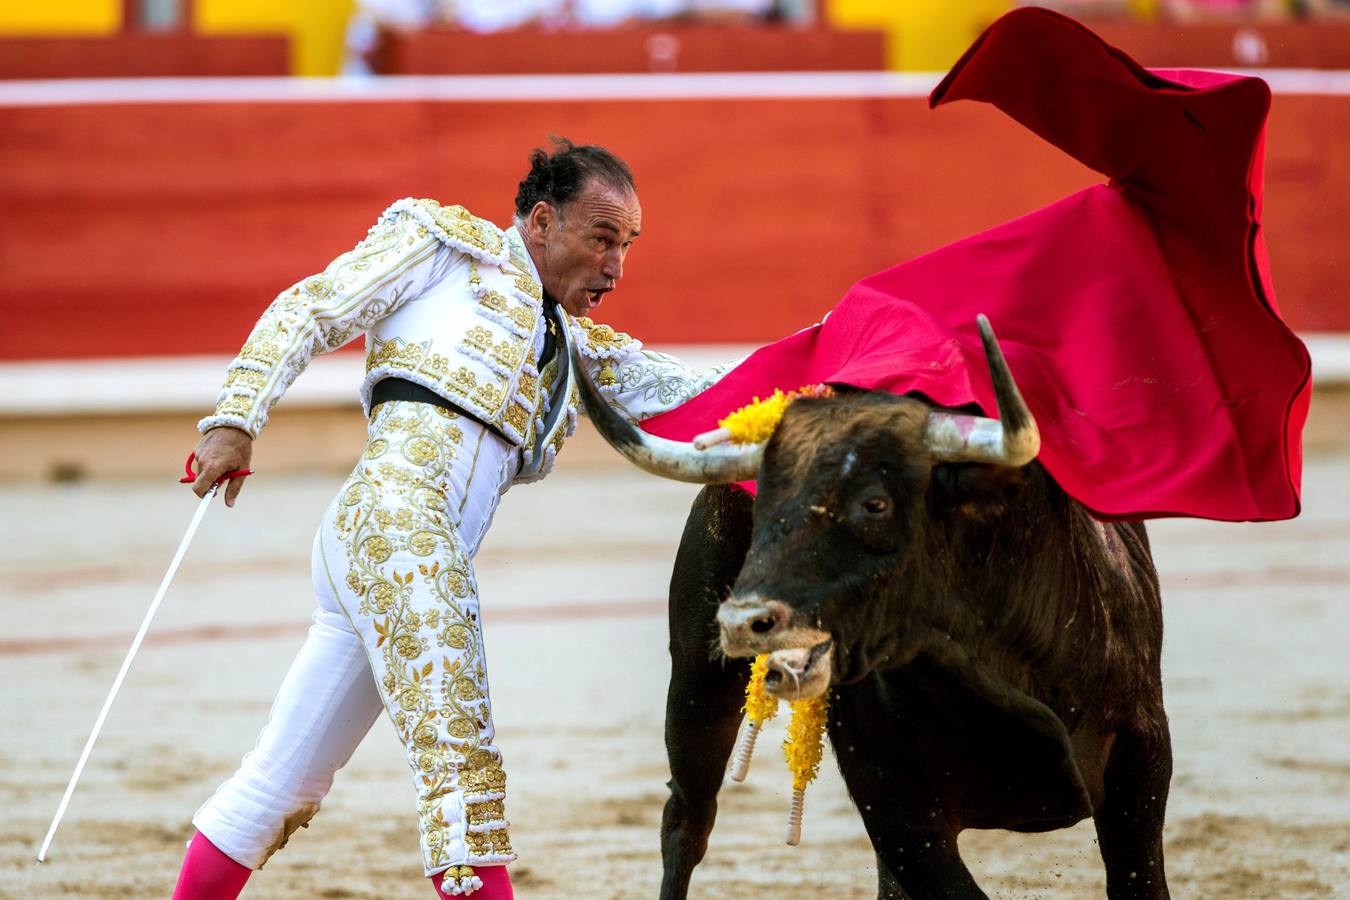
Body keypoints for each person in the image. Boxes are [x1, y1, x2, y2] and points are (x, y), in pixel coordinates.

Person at [171, 139, 731, 900]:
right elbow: (314, 306)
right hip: (399, 528)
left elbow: (699, 393)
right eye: (601, 238)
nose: (616, 266)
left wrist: (828, 373)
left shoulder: (572, 343)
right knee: (461, 768)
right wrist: (235, 416)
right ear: (540, 221)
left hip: (403, 548)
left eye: (626, 246)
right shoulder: (447, 249)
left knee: (280, 784)